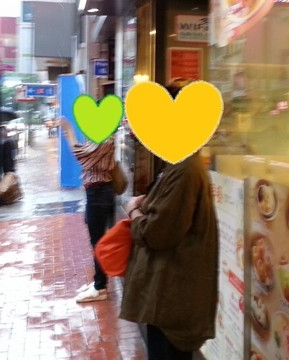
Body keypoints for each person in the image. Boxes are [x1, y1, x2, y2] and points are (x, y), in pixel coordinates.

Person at [119, 79, 219, 360]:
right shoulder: (179, 163)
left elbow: (157, 234)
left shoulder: (185, 170)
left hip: (171, 300)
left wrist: (133, 210)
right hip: (167, 296)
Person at [58, 117, 116, 303]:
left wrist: (69, 130)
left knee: (98, 241)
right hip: (97, 192)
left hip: (100, 193)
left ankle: (100, 287)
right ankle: (99, 282)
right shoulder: (100, 137)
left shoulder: (105, 138)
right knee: (97, 240)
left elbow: (82, 156)